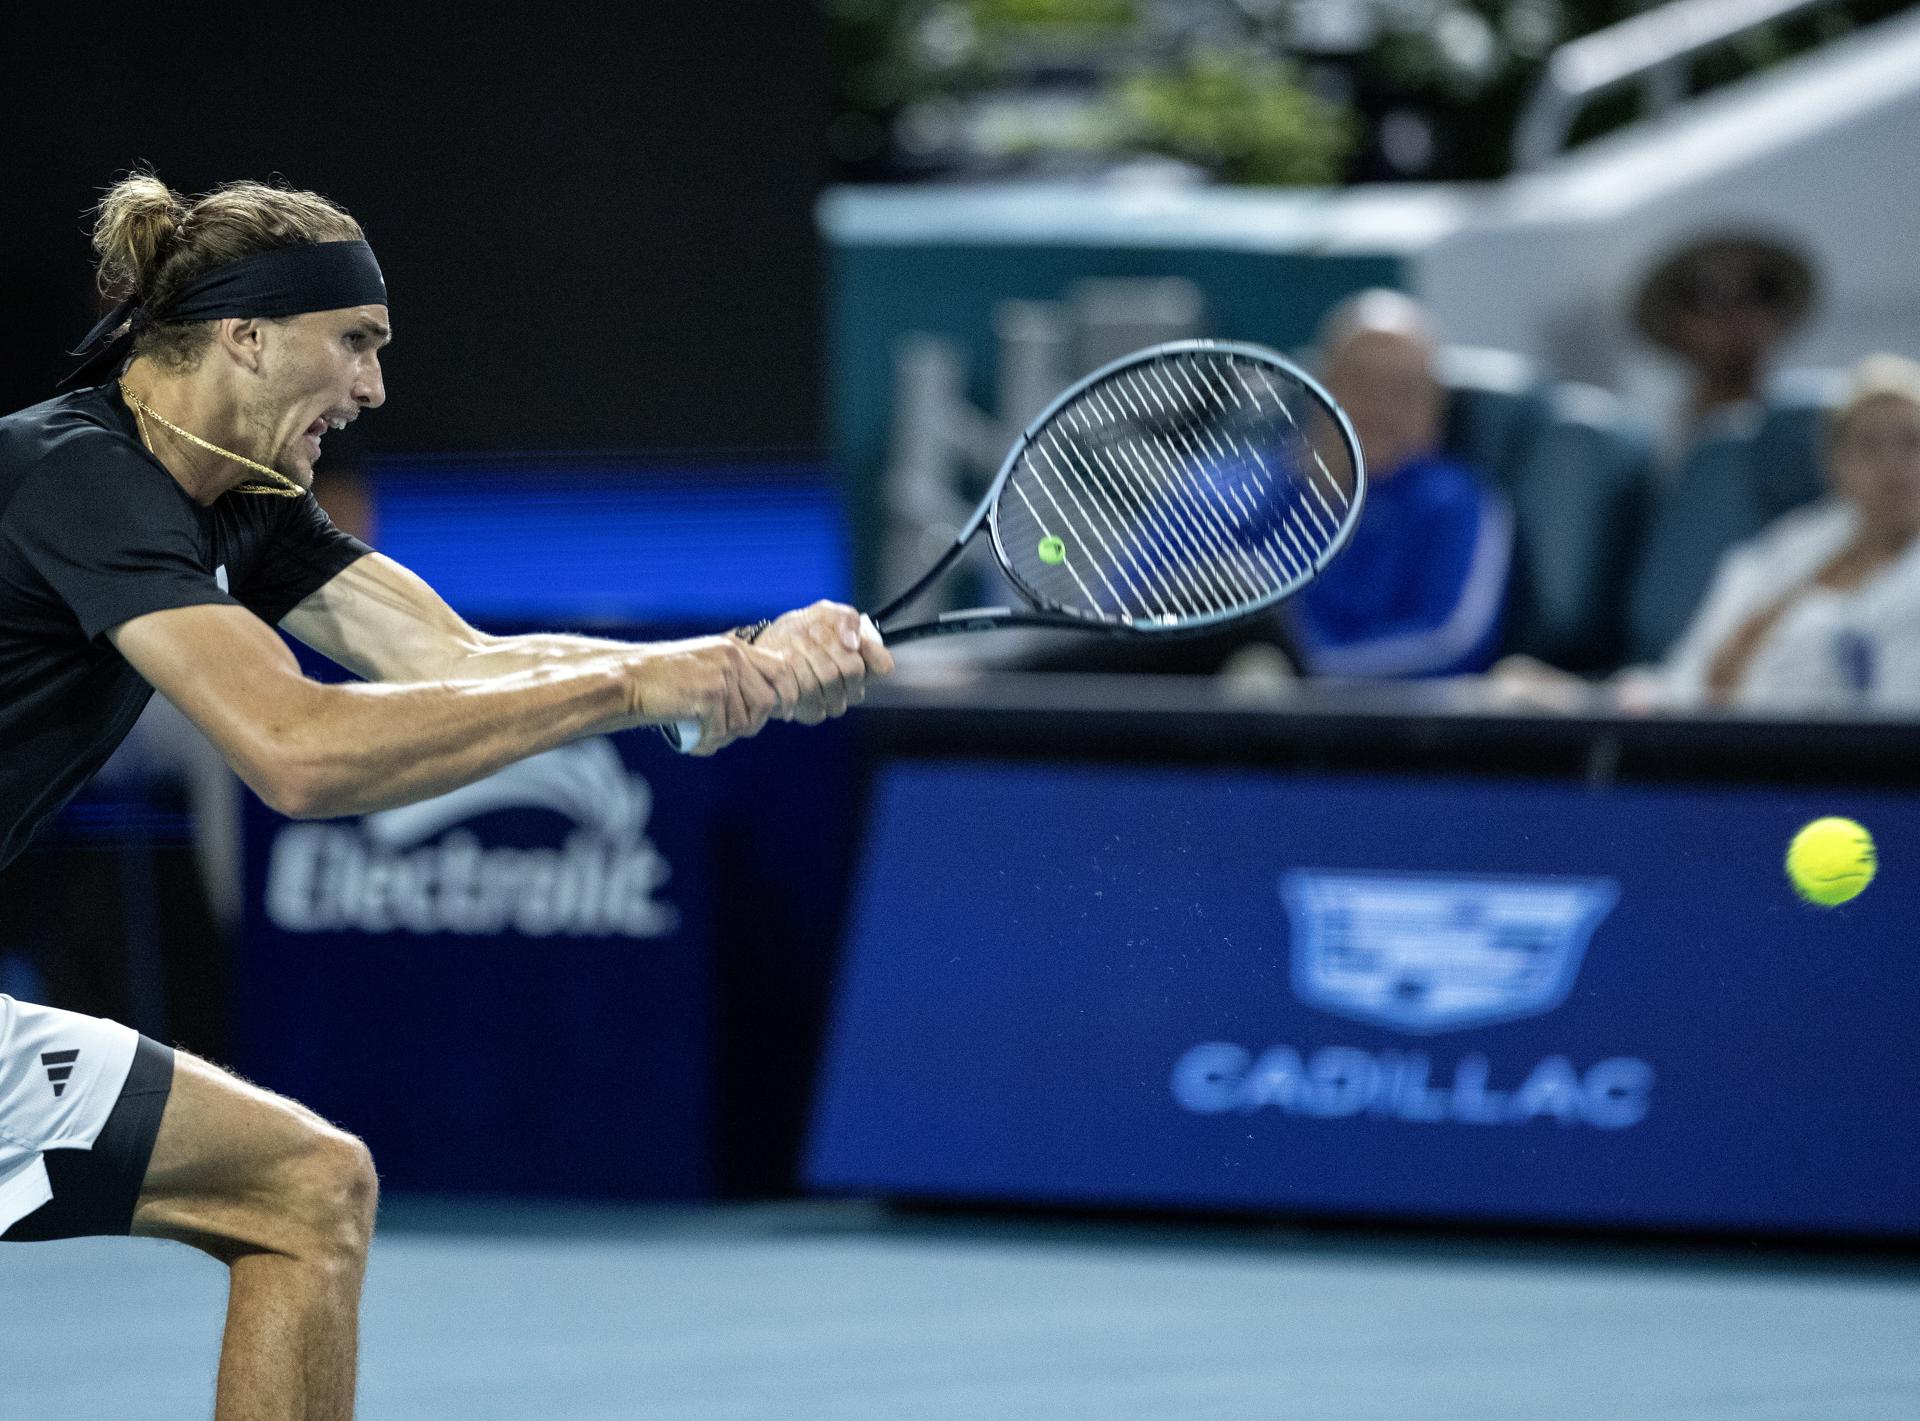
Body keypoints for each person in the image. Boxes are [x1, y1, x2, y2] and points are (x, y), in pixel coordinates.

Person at [0, 173, 891, 1420]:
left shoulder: (242, 504)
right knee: (307, 1185)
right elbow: (296, 747)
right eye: (353, 343)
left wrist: (736, 658)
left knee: (305, 1190)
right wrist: (645, 685)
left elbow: (455, 663)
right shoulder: (72, 472)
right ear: (246, 337)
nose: (372, 389)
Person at [1493, 353, 1920, 714]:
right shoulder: (1792, 543)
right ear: (1834, 464)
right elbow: (1690, 679)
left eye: (1912, 442)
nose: (1893, 464)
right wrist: (1585, 701)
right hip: (1710, 754)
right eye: (1868, 444)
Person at [1290, 289, 1513, 678]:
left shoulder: (1455, 505)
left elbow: (1452, 640)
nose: (1379, 408)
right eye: (1360, 383)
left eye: (1404, 392)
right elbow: (1146, 603)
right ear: (1318, 385)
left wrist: (1296, 678)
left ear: (1436, 410)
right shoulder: (1225, 488)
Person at [1629, 231, 1818, 455]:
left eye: (1763, 290)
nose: (1736, 314)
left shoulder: (1821, 440)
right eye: (1706, 294)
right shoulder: (1645, 448)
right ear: (1673, 319)